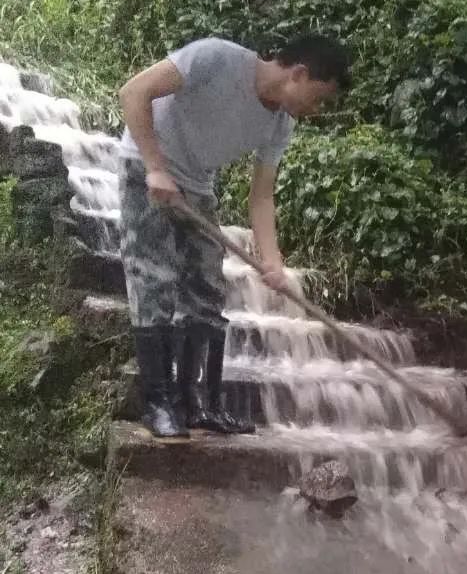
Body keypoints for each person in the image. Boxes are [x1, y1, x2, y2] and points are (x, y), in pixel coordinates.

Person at [117, 33, 351, 440]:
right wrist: (155, 167)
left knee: (207, 291)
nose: (316, 110)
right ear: (299, 73)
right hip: (146, 167)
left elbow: (261, 196)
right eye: (320, 98)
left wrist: (273, 260)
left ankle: (197, 405)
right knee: (154, 279)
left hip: (197, 186)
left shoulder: (280, 124)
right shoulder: (215, 58)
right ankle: (158, 403)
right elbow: (134, 91)